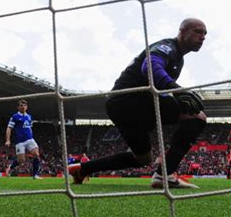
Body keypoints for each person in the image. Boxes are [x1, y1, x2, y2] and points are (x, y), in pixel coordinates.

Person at [68, 18, 207, 189]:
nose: (203, 37)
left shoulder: (178, 58)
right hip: (130, 100)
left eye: (205, 33)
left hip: (120, 105)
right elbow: (149, 67)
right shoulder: (167, 47)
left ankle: (81, 169)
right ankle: (165, 175)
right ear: (183, 31)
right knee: (197, 117)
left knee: (142, 158)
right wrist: (178, 90)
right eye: (198, 31)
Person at [5, 99, 42, 179]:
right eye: (21, 105)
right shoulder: (15, 116)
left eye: (24, 105)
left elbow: (30, 127)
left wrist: (31, 136)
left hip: (30, 139)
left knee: (36, 155)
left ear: (27, 107)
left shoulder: (29, 116)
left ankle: (35, 175)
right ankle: (10, 168)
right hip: (19, 141)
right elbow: (9, 128)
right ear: (18, 107)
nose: (23, 107)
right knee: (21, 160)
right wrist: (8, 140)